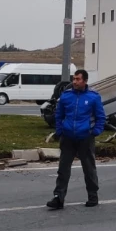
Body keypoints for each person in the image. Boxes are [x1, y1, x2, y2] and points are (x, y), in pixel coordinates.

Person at [47, 69, 106, 210]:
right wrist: (60, 131)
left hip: (85, 138)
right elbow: (59, 115)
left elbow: (101, 117)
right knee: (63, 169)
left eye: (78, 79)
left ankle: (93, 196)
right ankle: (58, 198)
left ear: (85, 81)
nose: (74, 82)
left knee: (89, 169)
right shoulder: (66, 96)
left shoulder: (93, 97)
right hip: (68, 138)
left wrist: (94, 132)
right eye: (74, 79)